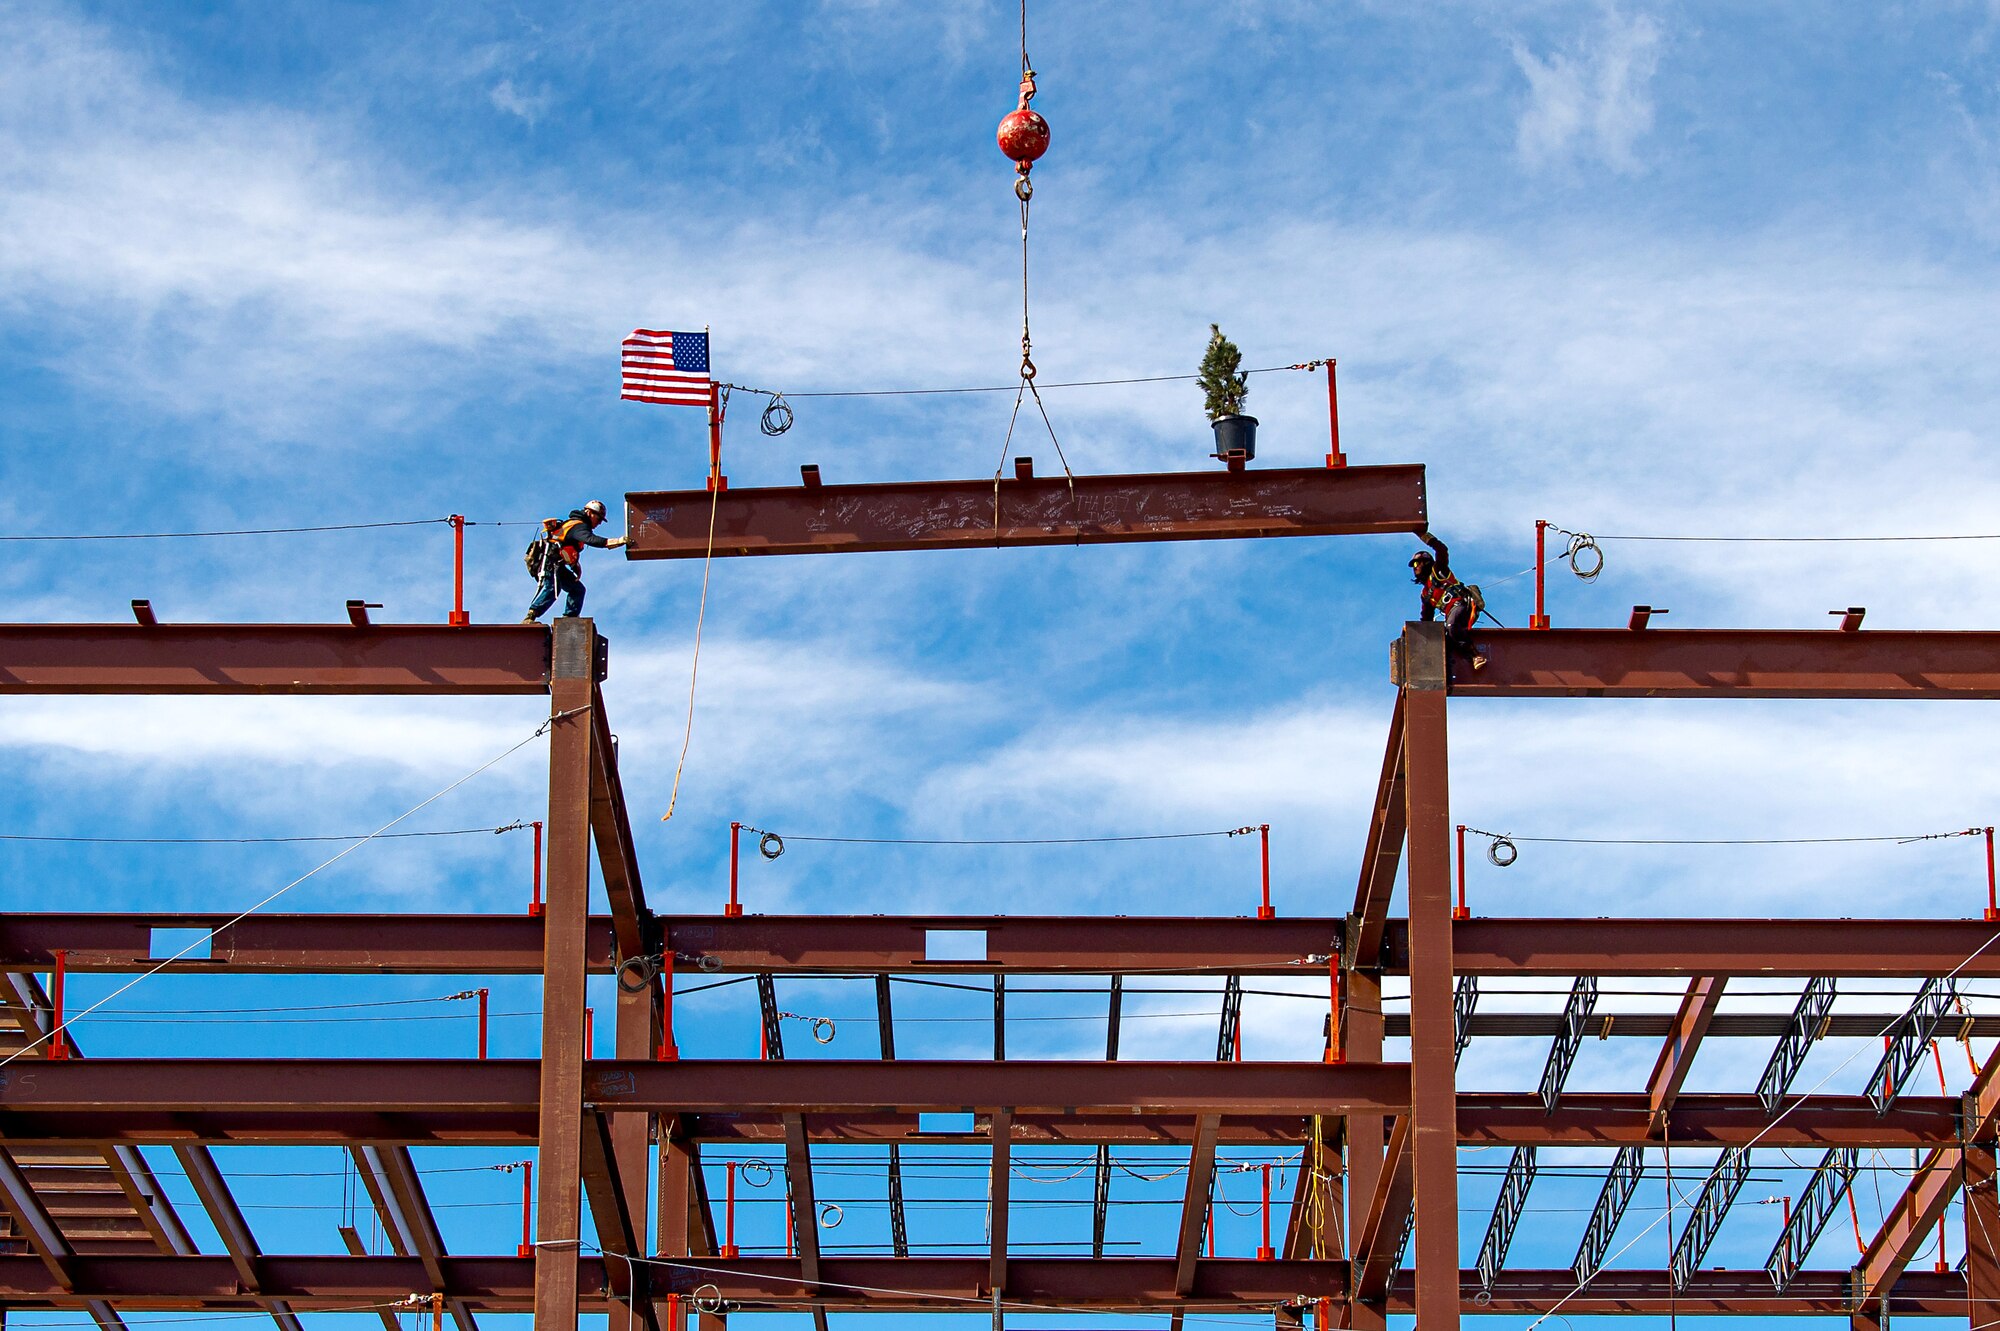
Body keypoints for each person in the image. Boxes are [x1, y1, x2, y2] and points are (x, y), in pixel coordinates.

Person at [524, 500, 627, 622]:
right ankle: (530, 616)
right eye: (598, 519)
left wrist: (575, 566)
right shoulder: (579, 526)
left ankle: (569, 619)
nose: (599, 523)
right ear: (589, 512)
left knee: (577, 589)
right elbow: (591, 539)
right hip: (549, 561)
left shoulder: (575, 525)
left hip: (557, 563)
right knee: (552, 588)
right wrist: (617, 541)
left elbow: (566, 549)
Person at [1409, 531, 1487, 671]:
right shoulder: (1426, 594)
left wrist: (1424, 536)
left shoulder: (1439, 571)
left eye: (1418, 563)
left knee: (1452, 626)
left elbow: (1442, 550)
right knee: (1447, 639)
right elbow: (1426, 620)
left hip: (1461, 605)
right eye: (1414, 564)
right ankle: (1444, 671)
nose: (1416, 567)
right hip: (1452, 612)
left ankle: (1476, 655)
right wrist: (1418, 637)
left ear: (1427, 563)